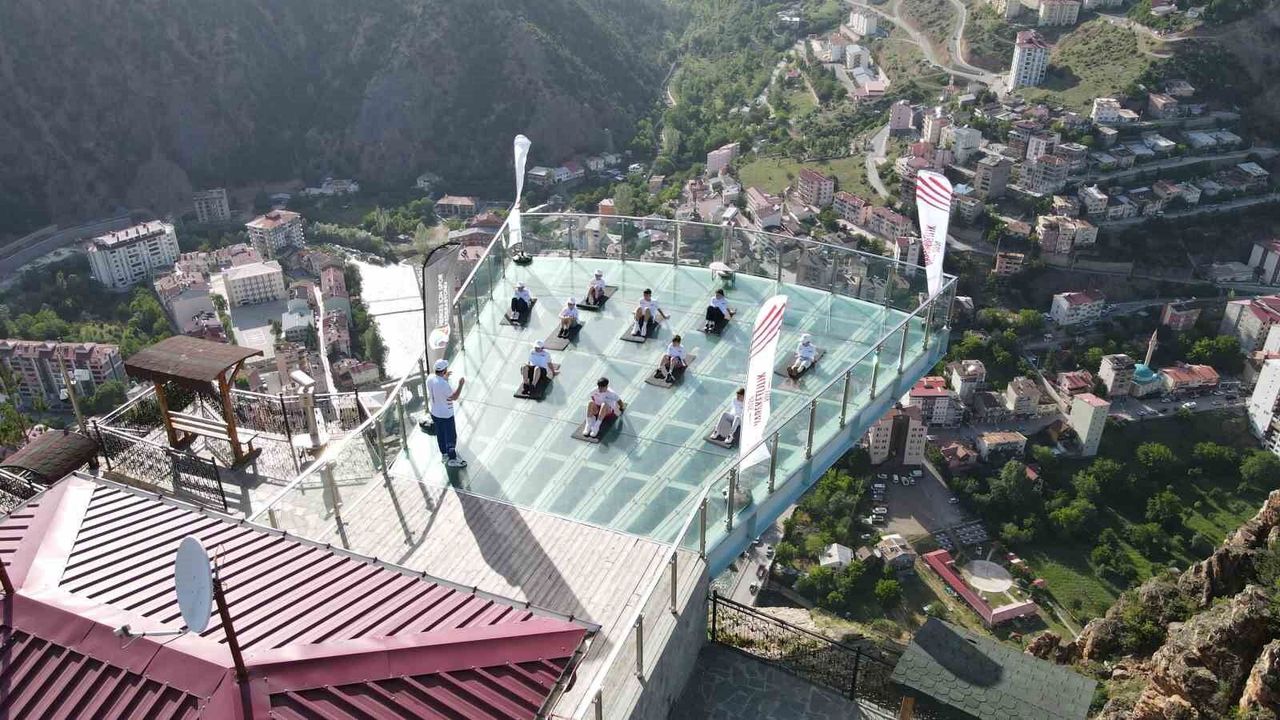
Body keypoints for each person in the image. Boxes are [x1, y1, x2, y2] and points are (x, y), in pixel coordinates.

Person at [426, 359, 467, 468]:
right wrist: (460, 385)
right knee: (451, 436)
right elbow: (454, 396)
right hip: (446, 415)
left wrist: (444, 377)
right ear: (444, 371)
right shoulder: (443, 385)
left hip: (434, 412)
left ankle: (444, 454)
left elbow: (437, 383)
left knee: (440, 434)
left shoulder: (430, 378)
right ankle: (452, 459)